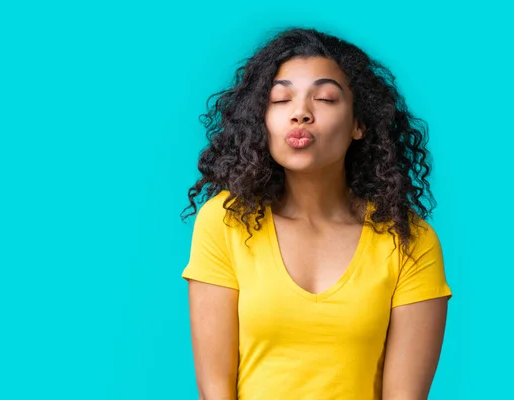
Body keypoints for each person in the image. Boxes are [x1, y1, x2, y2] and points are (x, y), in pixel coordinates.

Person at [180, 27, 452, 400]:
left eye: (324, 98)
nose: (300, 114)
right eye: (280, 100)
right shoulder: (224, 222)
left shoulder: (410, 241)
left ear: (359, 124)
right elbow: (215, 392)